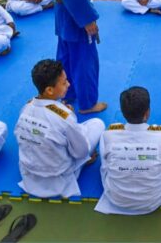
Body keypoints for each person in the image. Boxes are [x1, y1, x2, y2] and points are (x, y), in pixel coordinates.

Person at [15, 59, 104, 198]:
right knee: (97, 124)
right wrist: (69, 116)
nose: (68, 84)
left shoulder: (25, 109)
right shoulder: (64, 116)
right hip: (59, 176)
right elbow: (80, 152)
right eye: (64, 83)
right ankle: (83, 164)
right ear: (49, 90)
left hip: (30, 175)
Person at [95, 86, 161, 215]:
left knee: (104, 140)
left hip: (116, 198)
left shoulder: (110, 133)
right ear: (147, 112)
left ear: (123, 113)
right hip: (153, 199)